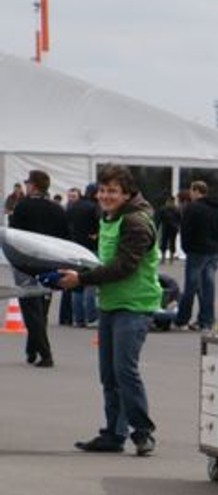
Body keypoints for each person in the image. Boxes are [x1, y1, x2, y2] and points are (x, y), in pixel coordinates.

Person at [58, 164, 162, 456]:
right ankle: (114, 434)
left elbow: (124, 266)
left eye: (113, 191)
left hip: (135, 305)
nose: (106, 196)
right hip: (111, 303)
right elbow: (104, 260)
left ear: (127, 194)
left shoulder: (136, 222)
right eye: (103, 190)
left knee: (124, 371)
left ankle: (142, 433)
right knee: (109, 374)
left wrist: (82, 279)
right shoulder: (109, 216)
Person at [8, 169, 69, 368]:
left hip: (26, 263)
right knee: (42, 309)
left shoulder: (22, 206)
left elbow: (14, 236)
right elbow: (65, 238)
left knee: (30, 309)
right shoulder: (57, 209)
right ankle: (32, 349)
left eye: (28, 183)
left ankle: (45, 353)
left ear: (33, 186)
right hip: (50, 263)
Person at [177, 181, 218, 329]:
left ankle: (182, 319)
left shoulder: (192, 208)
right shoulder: (216, 208)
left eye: (191, 191)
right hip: (213, 252)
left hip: (196, 251)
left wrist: (186, 248)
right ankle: (206, 320)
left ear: (196, 191)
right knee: (208, 287)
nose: (190, 194)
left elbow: (185, 229)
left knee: (191, 287)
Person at [63, 184, 102, 328]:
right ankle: (91, 318)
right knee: (90, 282)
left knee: (76, 284)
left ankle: (78, 318)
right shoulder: (95, 207)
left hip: (75, 248)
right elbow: (101, 225)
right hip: (91, 248)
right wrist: (96, 235)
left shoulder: (73, 207)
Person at [156, 194, 182, 262]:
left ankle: (167, 257)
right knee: (168, 242)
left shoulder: (172, 209)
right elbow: (180, 219)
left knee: (168, 242)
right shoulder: (175, 209)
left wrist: (157, 227)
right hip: (171, 227)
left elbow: (180, 219)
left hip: (169, 227)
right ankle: (167, 257)